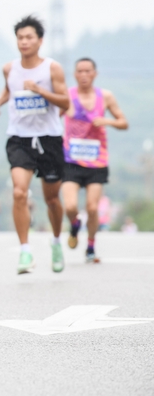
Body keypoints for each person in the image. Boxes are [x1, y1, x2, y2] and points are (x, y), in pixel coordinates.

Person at [0, 15, 69, 274]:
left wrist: (40, 90)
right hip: (20, 138)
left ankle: (56, 242)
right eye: (20, 38)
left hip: (49, 138)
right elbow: (9, 89)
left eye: (29, 37)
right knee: (19, 192)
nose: (24, 42)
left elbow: (66, 102)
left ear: (40, 40)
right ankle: (25, 251)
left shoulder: (52, 69)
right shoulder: (9, 68)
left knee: (52, 199)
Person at [61, 57, 128, 263]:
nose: (84, 75)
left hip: (97, 161)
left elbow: (123, 122)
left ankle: (90, 246)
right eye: (80, 71)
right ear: (74, 74)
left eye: (88, 71)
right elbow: (53, 116)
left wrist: (106, 121)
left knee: (92, 207)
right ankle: (75, 224)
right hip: (71, 160)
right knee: (70, 206)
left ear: (95, 74)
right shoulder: (67, 96)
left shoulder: (105, 96)